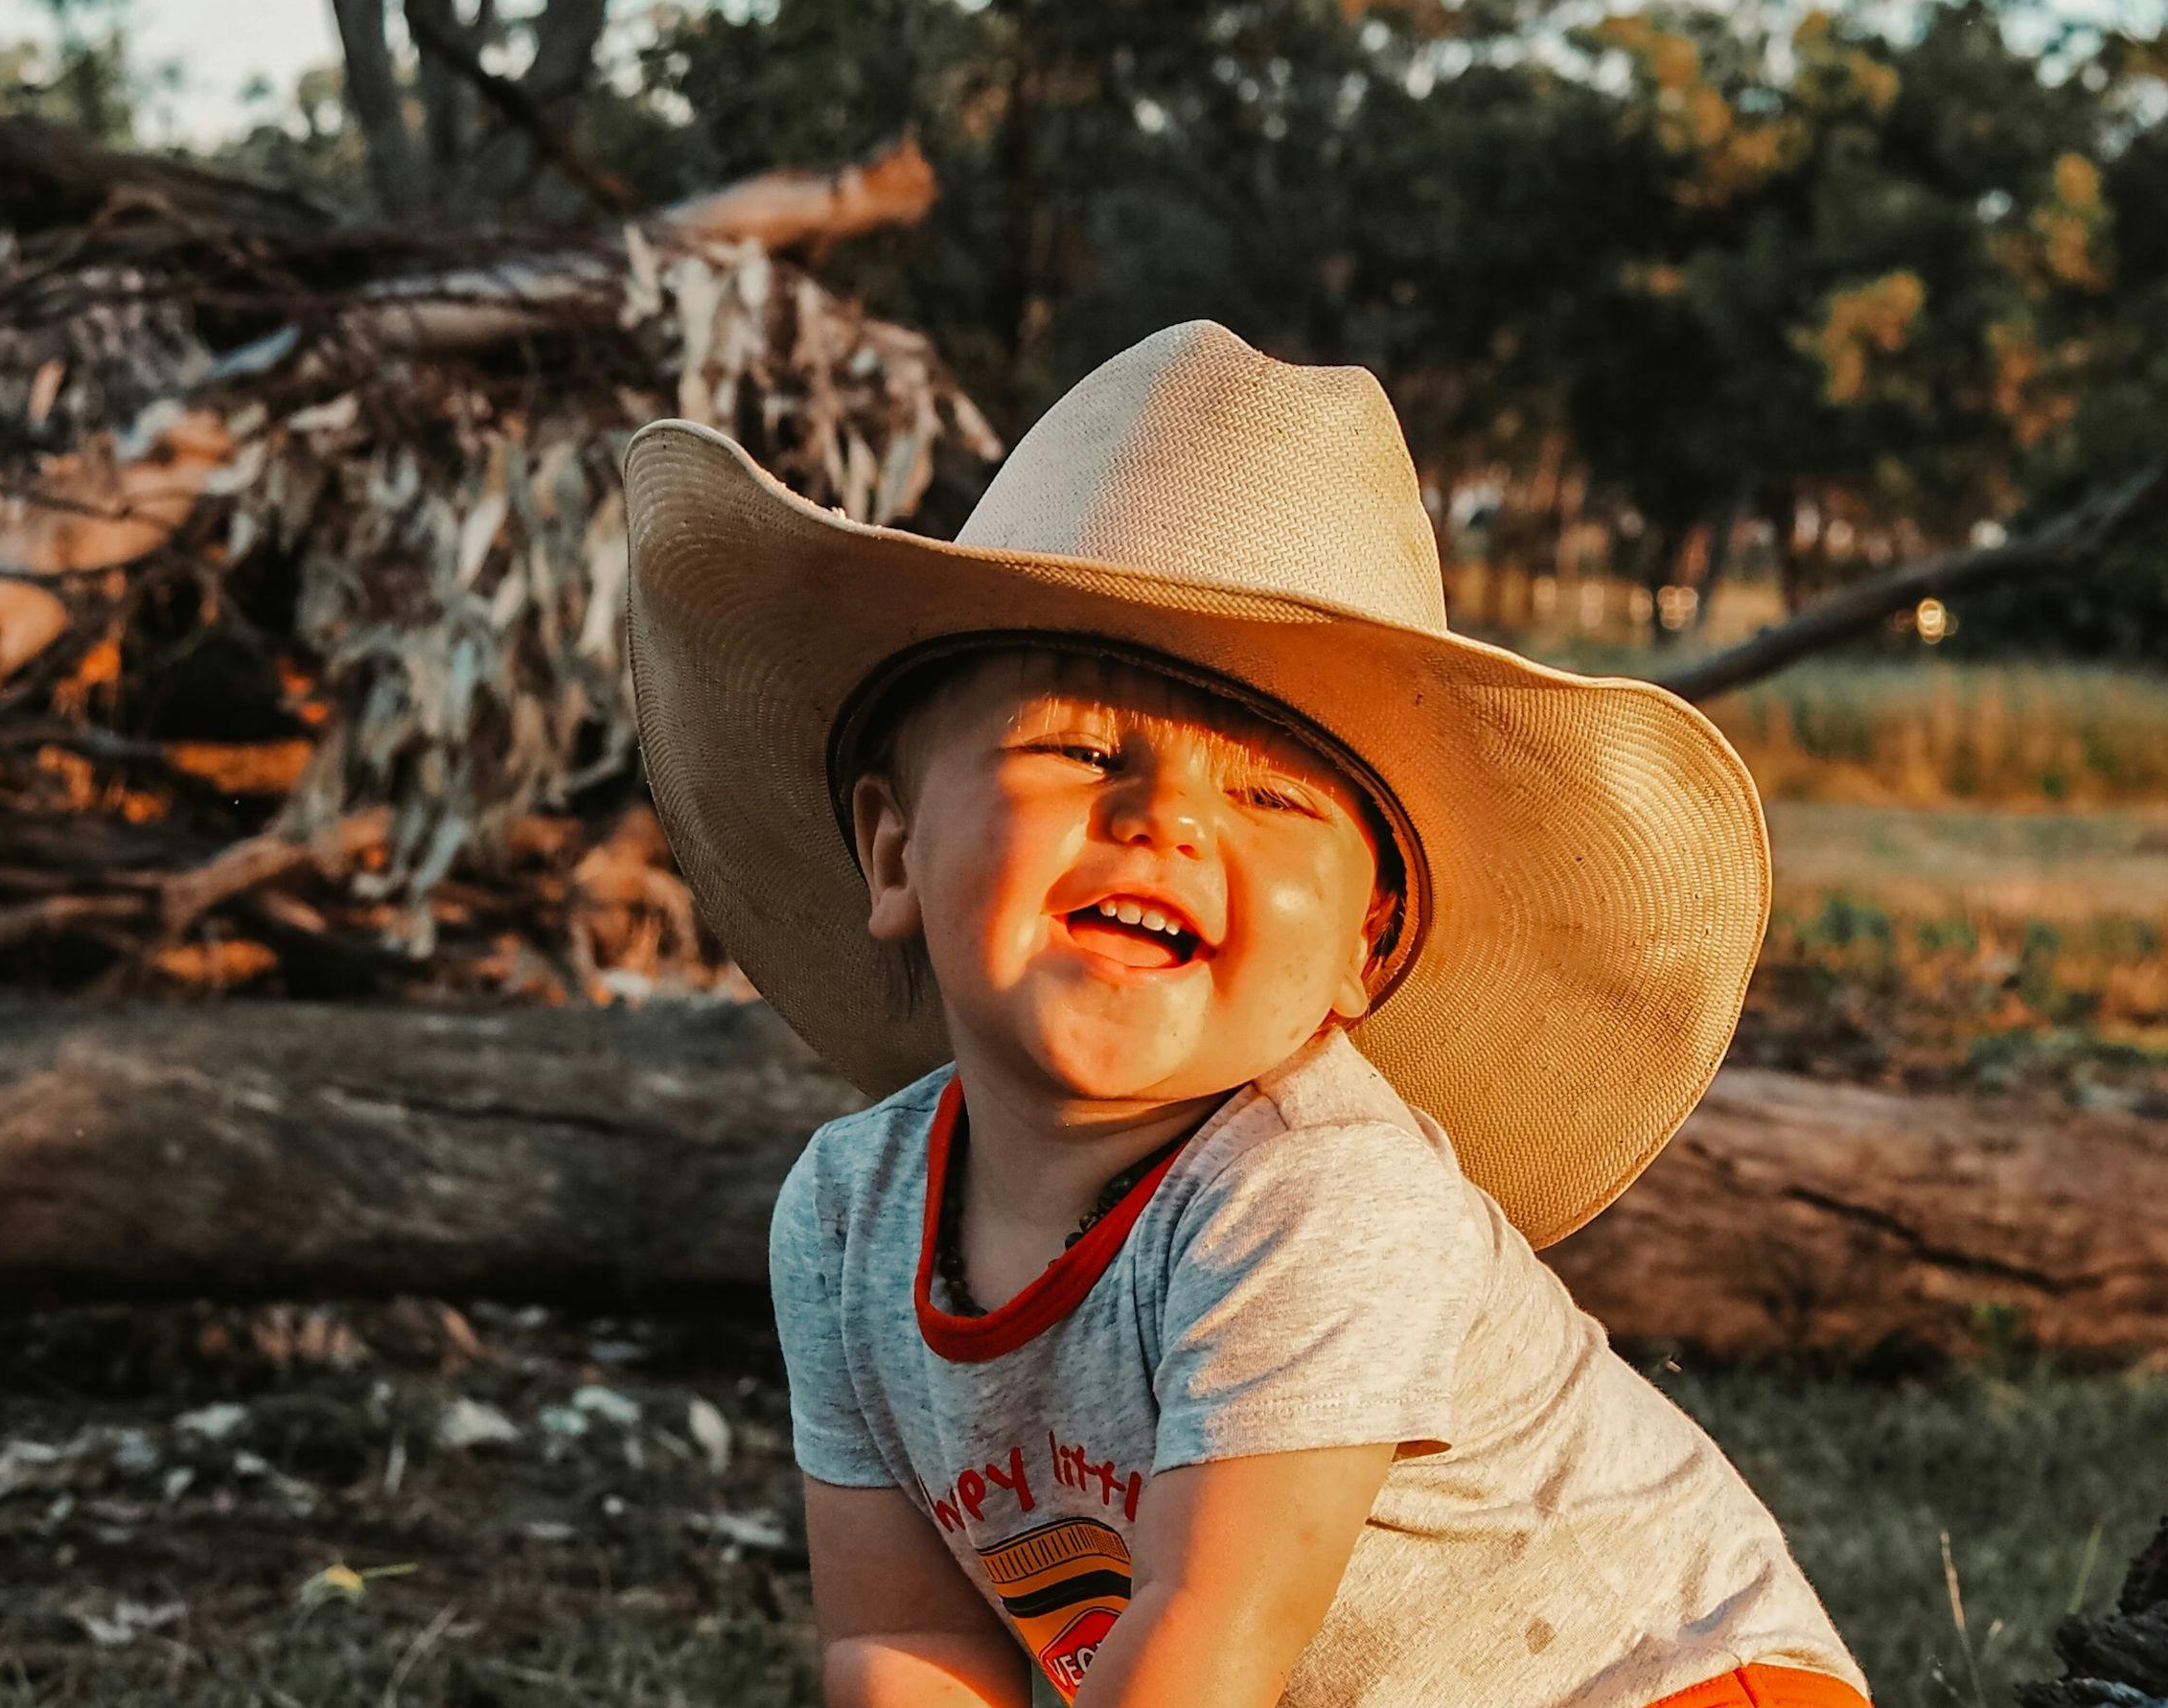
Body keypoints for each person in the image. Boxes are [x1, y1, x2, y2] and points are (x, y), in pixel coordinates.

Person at [621, 321, 1868, 1707]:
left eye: (1270, 795)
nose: (1162, 820)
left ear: (1363, 950)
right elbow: (904, 1646)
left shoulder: (1319, 1195)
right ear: (894, 851)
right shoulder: (846, 1219)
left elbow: (1209, 1641)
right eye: (1077, 746)